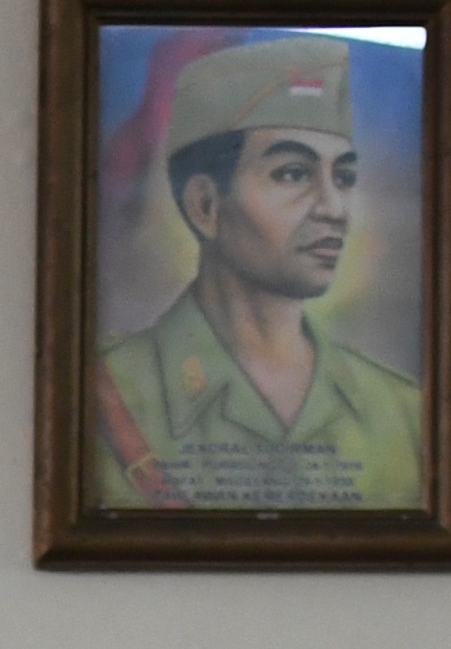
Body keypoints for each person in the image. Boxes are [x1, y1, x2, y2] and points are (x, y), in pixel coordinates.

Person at [92, 36, 425, 511]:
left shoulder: (403, 414)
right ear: (206, 205)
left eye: (344, 177)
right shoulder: (107, 396)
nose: (334, 208)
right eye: (293, 174)